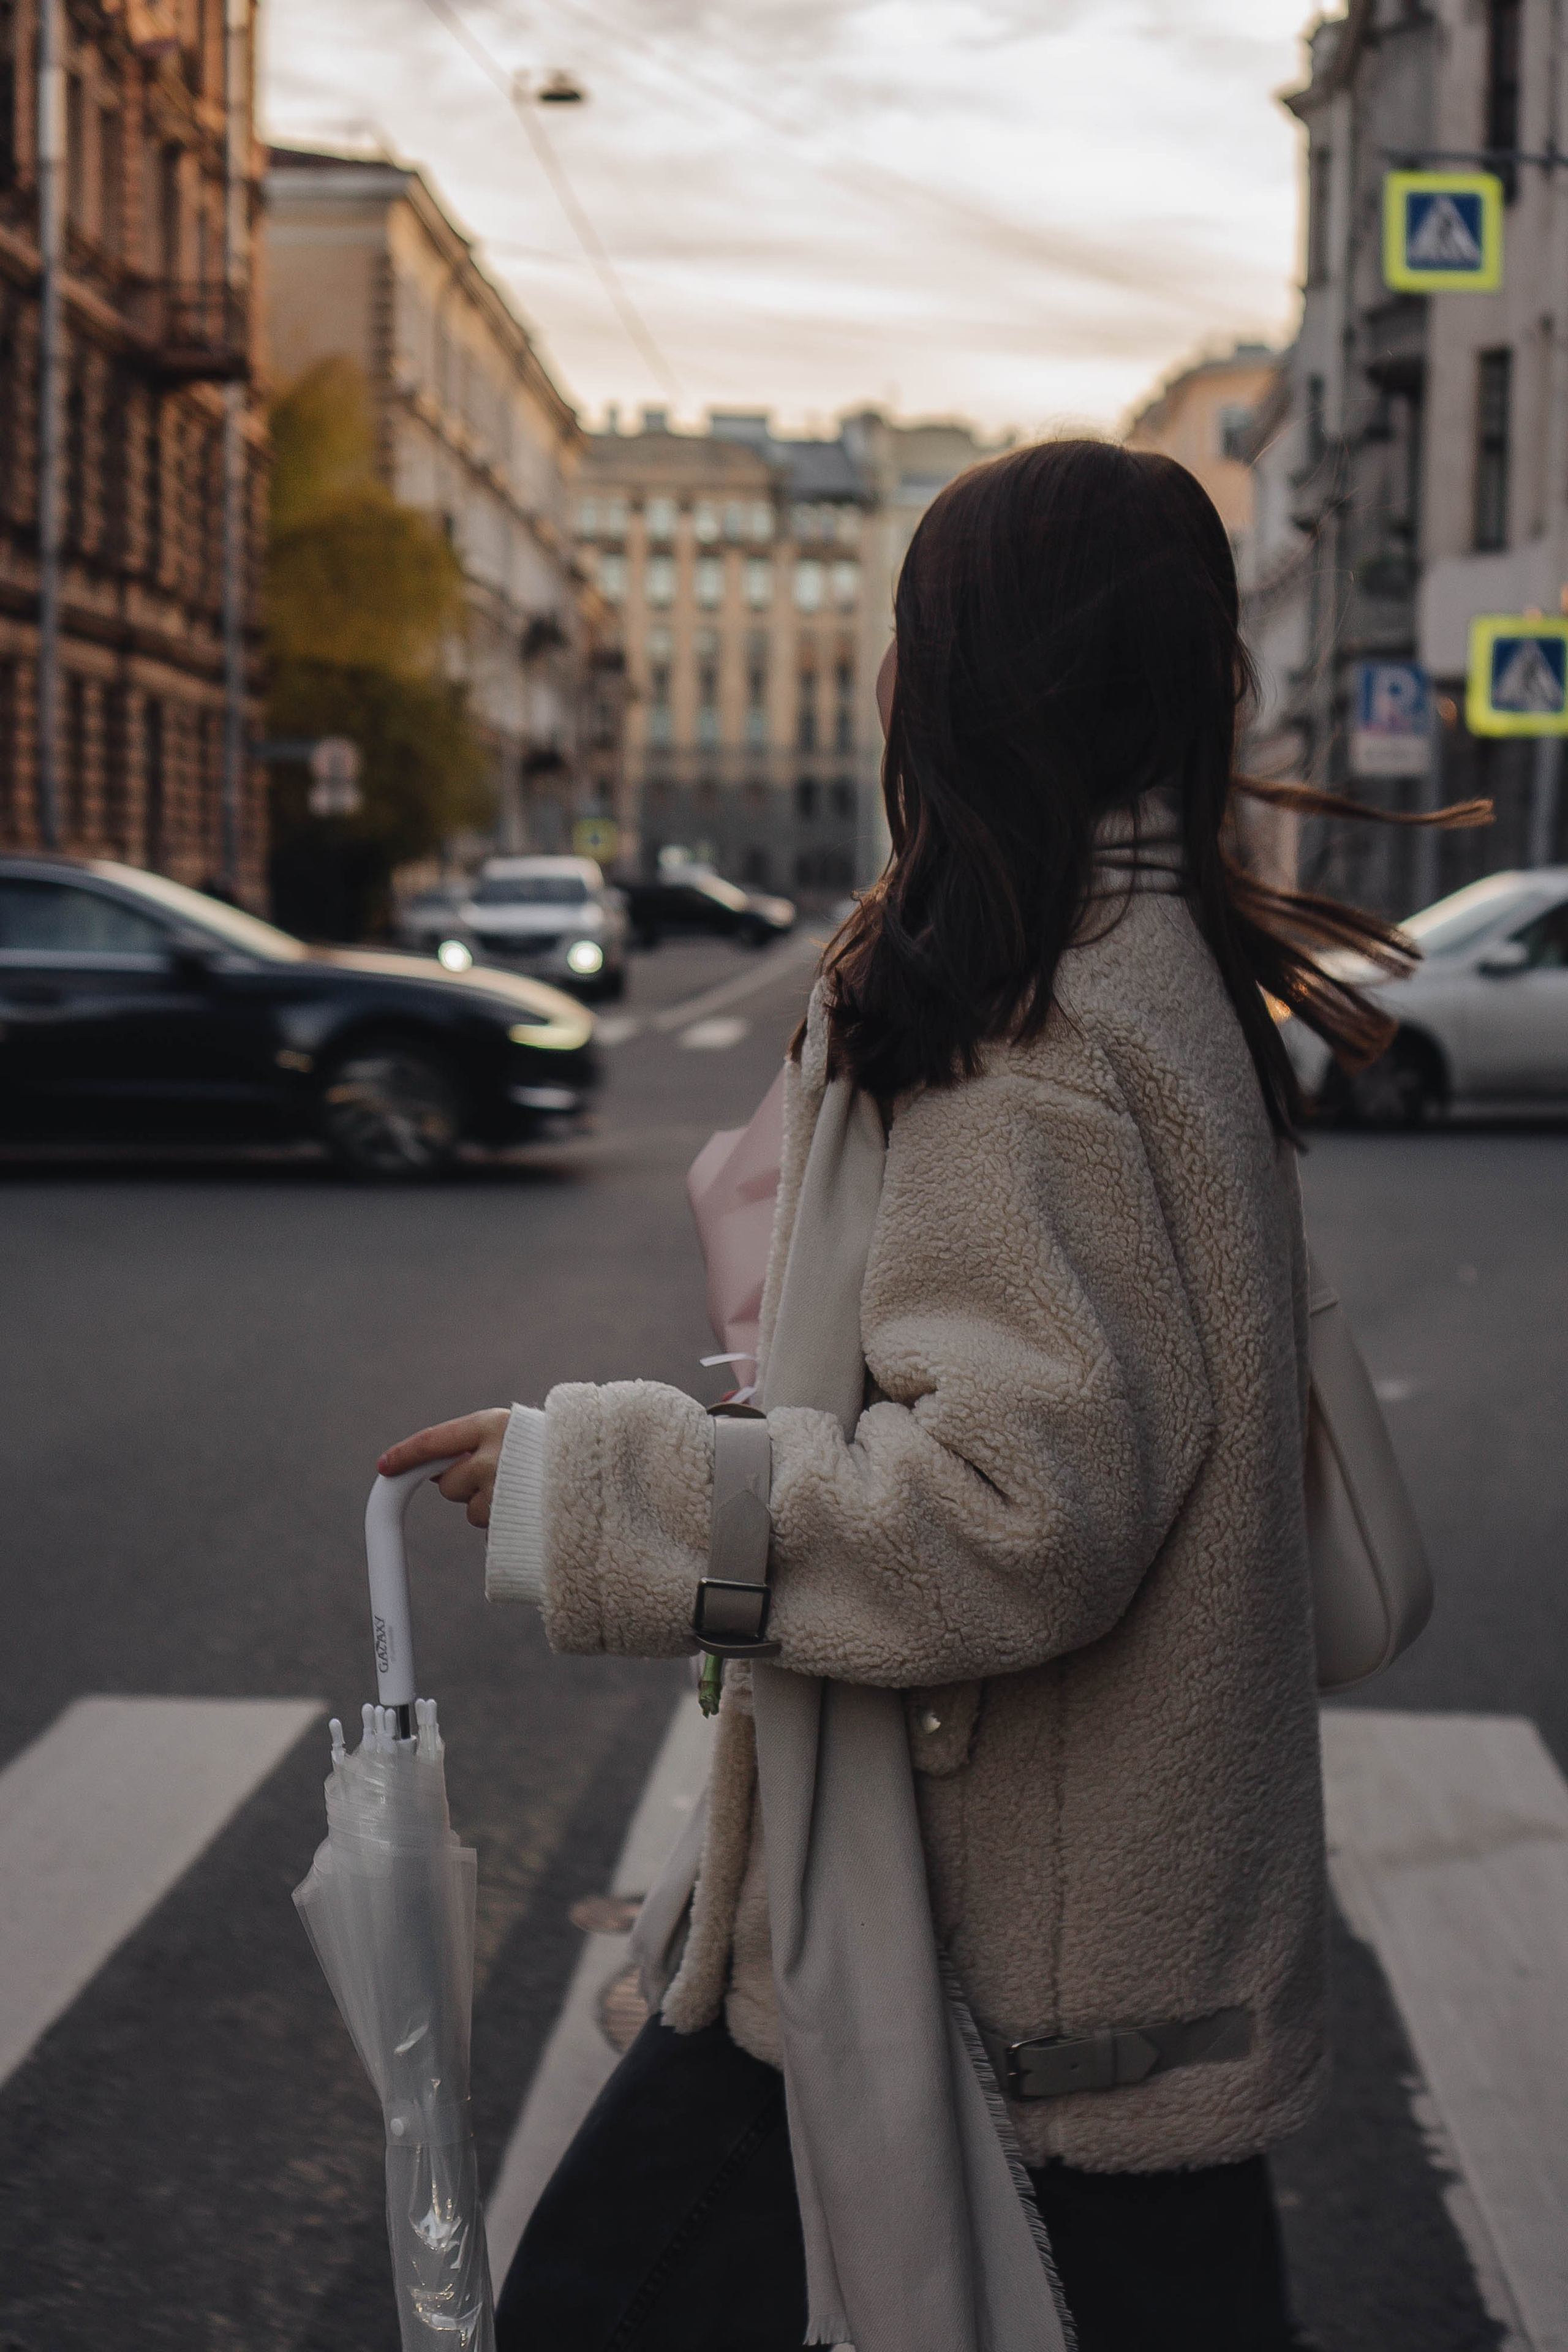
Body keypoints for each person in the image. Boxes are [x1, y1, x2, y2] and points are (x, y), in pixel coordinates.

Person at [380, 439, 1473, 2351]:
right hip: (1085, 1942)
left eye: (916, 626)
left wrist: (601, 1489)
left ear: (961, 675)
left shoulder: (1034, 1025)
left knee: (595, 2308)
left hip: (980, 1960)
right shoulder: (1154, 964)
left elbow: (1013, 1511)